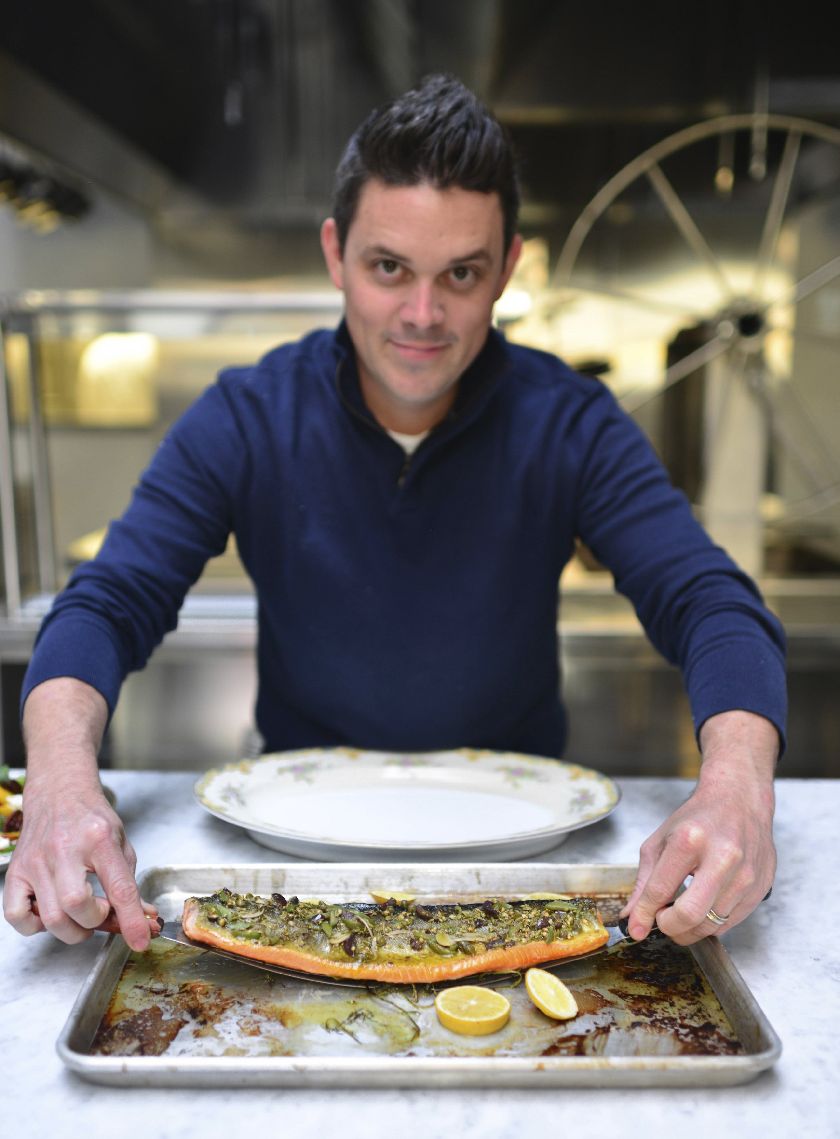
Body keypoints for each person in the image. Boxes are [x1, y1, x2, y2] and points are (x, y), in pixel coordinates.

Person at [4, 74, 785, 955]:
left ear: (508, 269)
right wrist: (62, 786)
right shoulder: (247, 413)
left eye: (462, 273)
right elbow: (109, 601)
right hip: (292, 854)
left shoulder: (571, 421)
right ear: (337, 254)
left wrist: (737, 786)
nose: (423, 314)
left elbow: (712, 602)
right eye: (389, 268)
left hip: (523, 854)